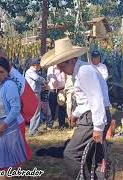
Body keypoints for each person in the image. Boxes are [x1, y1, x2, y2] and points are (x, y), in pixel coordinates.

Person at [40, 38, 109, 179]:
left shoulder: (84, 72)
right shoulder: (81, 71)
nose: (62, 71)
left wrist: (98, 127)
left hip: (93, 118)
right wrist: (76, 113)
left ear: (71, 60)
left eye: (62, 67)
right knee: (92, 157)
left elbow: (97, 99)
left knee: (71, 154)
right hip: (91, 116)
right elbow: (87, 99)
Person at [25, 58, 46, 136]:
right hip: (33, 94)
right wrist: (44, 80)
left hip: (35, 93)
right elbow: (37, 78)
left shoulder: (34, 72)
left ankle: (33, 130)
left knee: (36, 112)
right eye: (39, 64)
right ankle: (33, 131)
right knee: (36, 113)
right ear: (35, 65)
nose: (40, 66)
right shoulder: (30, 71)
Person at [47, 65, 66, 130]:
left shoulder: (64, 66)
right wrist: (53, 81)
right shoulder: (51, 68)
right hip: (53, 90)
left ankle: (62, 125)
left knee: (62, 108)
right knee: (52, 108)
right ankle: (49, 125)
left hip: (61, 90)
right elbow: (50, 76)